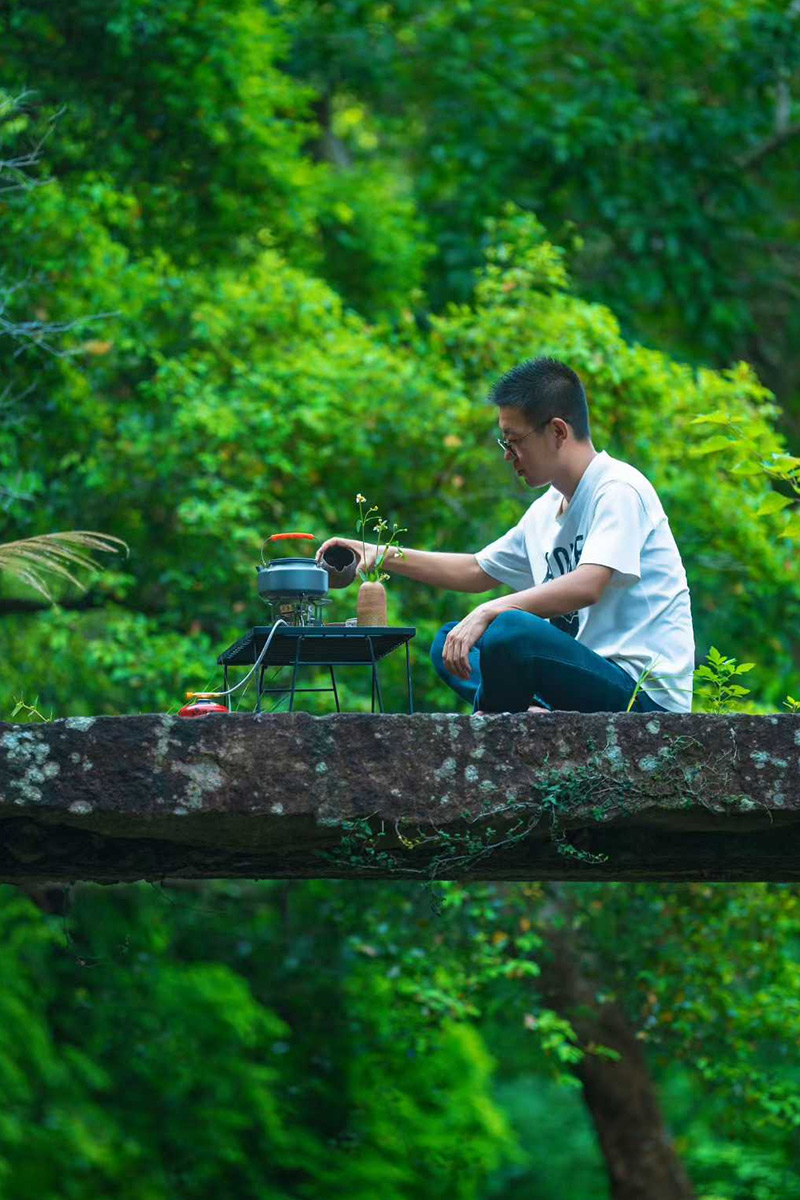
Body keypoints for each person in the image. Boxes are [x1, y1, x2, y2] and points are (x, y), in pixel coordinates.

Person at [317, 357, 694, 714]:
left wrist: (491, 610)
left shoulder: (618, 488)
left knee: (510, 629)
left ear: (558, 431)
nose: (508, 455)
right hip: (582, 681)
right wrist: (380, 553)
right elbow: (476, 570)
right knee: (450, 640)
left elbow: (588, 585)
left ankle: (499, 716)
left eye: (514, 441)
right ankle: (523, 712)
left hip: (642, 696)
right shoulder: (545, 511)